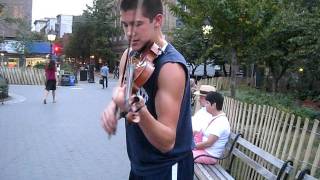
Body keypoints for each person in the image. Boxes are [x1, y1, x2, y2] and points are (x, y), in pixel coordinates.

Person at [101, 0, 194, 179]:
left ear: (157, 20)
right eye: (125, 25)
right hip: (138, 165)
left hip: (167, 168)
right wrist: (113, 108)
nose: (129, 33)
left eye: (137, 24)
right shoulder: (129, 55)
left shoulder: (170, 67)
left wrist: (138, 109)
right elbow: (124, 96)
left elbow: (167, 142)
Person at [192, 91, 231, 165]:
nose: (205, 105)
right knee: (181, 153)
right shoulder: (215, 118)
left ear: (214, 105)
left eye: (207, 103)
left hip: (209, 155)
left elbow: (208, 143)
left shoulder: (221, 122)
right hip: (203, 152)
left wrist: (191, 146)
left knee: (183, 156)